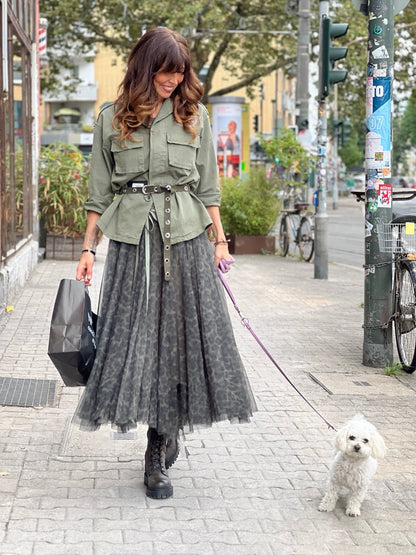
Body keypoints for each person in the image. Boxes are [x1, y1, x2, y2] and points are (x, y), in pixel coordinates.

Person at [75, 27, 257, 500]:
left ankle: (159, 444)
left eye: (179, 73)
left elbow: (208, 187)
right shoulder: (113, 117)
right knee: (137, 342)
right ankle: (159, 431)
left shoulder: (194, 115)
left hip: (187, 238)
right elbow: (98, 193)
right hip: (133, 242)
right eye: (165, 72)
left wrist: (220, 242)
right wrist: (88, 250)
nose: (173, 81)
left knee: (179, 339)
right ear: (145, 67)